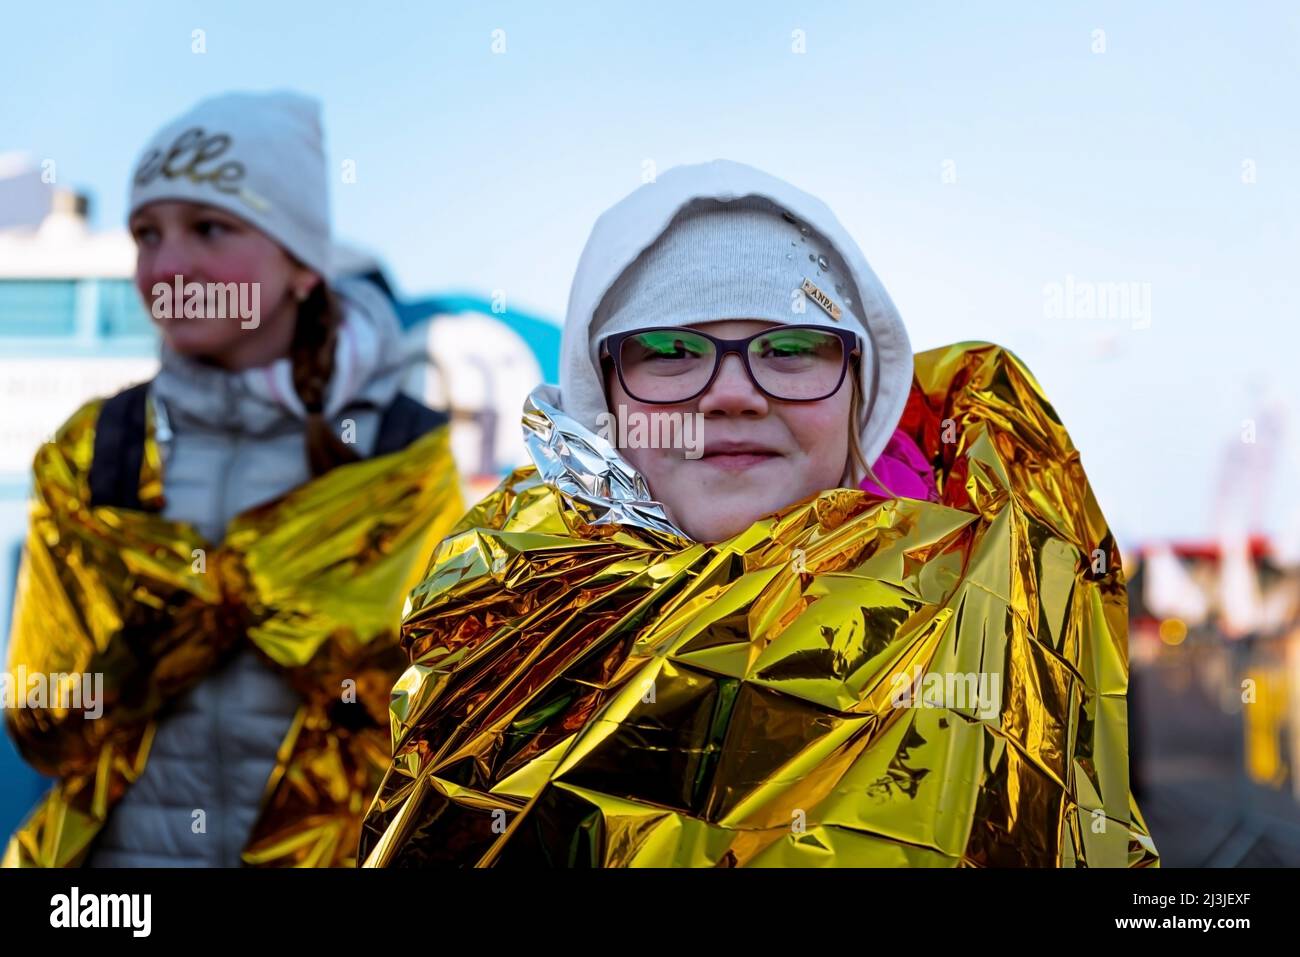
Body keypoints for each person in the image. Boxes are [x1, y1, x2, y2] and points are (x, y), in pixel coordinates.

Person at [358, 159, 1159, 867]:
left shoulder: (1000, 618)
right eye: (671, 351)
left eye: (791, 347)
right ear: (604, 398)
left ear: (858, 390)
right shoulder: (508, 647)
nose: (733, 393)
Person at [4, 91, 464, 868]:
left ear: (301, 267)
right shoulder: (97, 449)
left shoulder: (400, 452)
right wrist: (177, 627)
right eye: (147, 234)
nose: (169, 265)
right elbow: (41, 723)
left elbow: (432, 719)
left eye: (209, 228)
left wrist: (242, 592)